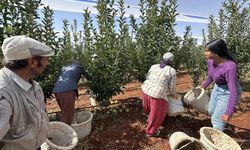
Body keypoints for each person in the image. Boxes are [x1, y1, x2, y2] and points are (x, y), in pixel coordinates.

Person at [0, 35, 54, 150]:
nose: (47, 63)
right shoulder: (3, 95)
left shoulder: (33, 86)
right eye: (46, 59)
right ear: (32, 61)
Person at [201, 39, 241, 131]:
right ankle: (220, 124)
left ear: (215, 52)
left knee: (216, 120)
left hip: (227, 92)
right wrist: (202, 88)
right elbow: (211, 77)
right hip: (217, 87)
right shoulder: (211, 61)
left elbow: (233, 92)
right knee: (211, 111)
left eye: (207, 51)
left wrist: (228, 112)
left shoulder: (230, 67)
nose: (205, 53)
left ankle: (216, 142)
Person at [141, 52, 177, 137]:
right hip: (157, 94)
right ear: (172, 61)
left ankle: (148, 119)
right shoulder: (171, 71)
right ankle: (150, 132)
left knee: (149, 108)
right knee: (157, 113)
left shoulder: (154, 66)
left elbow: (148, 77)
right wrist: (173, 95)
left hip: (145, 89)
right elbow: (172, 88)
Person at [52, 60, 90, 125]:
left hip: (57, 91)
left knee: (65, 112)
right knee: (67, 116)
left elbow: (57, 79)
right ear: (79, 63)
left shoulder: (64, 68)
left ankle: (68, 129)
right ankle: (64, 133)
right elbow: (89, 77)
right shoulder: (79, 67)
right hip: (67, 91)